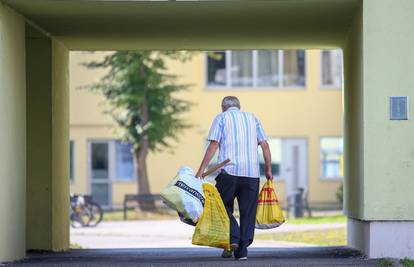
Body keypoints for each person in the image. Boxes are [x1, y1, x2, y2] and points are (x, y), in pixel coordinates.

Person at [195, 96, 273, 261]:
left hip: (229, 173)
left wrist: (202, 169)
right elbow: (265, 145)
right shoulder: (253, 118)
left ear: (223, 107)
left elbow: (214, 144)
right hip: (251, 174)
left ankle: (234, 238)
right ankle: (241, 251)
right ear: (239, 106)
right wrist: (268, 170)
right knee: (248, 212)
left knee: (222, 207)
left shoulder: (222, 118)